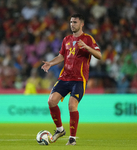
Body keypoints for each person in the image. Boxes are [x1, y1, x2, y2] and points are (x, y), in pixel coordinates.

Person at [41, 13, 102, 145]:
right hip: (65, 77)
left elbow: (99, 55)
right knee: (51, 101)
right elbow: (61, 56)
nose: (72, 24)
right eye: (71, 22)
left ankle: (72, 138)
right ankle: (60, 130)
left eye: (75, 22)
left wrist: (86, 47)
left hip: (79, 79)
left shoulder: (88, 39)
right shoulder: (66, 39)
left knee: (71, 105)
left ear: (82, 24)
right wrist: (51, 63)